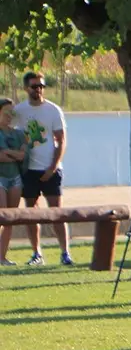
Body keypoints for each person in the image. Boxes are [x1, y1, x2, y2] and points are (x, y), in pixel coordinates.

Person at [13, 73, 71, 266]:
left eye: (41, 86)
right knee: (31, 212)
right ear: (26, 88)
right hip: (29, 169)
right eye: (34, 86)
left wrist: (53, 167)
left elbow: (61, 141)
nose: (38, 89)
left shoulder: (53, 110)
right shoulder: (19, 111)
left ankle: (65, 252)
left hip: (51, 168)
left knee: (56, 211)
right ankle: (36, 253)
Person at [0, 98, 28, 266]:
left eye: (12, 112)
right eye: (6, 112)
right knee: (1, 216)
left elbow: (22, 155)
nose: (9, 116)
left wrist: (9, 153)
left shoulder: (18, 133)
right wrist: (13, 154)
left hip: (15, 179)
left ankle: (2, 257)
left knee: (10, 219)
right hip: (0, 178)